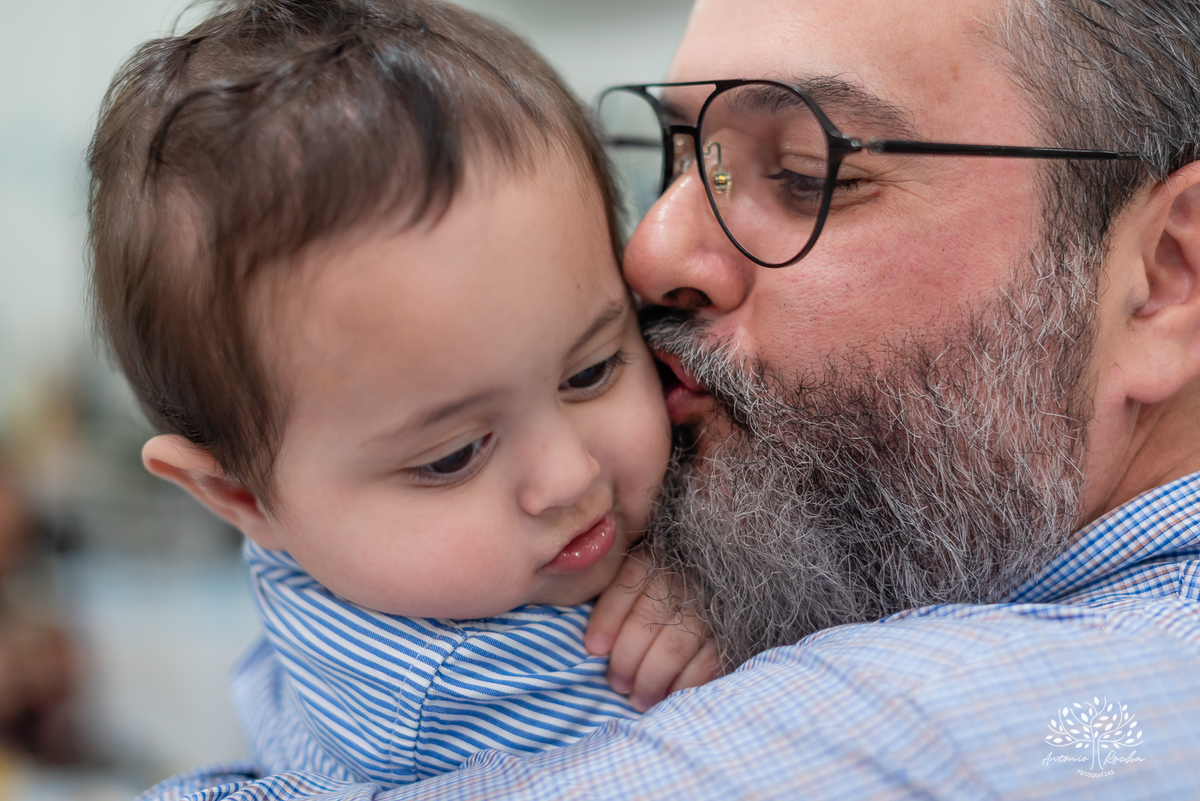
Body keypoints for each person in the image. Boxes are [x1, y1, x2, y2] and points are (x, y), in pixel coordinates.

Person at [133, 0, 1200, 797]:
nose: (646, 255)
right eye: (686, 158)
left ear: (1162, 279)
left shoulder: (1039, 726)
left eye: (802, 171)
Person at [85, 0, 718, 788]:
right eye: (453, 455)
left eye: (590, 371)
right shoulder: (467, 695)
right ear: (238, 493)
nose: (569, 476)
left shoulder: (356, 517)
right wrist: (727, 619)